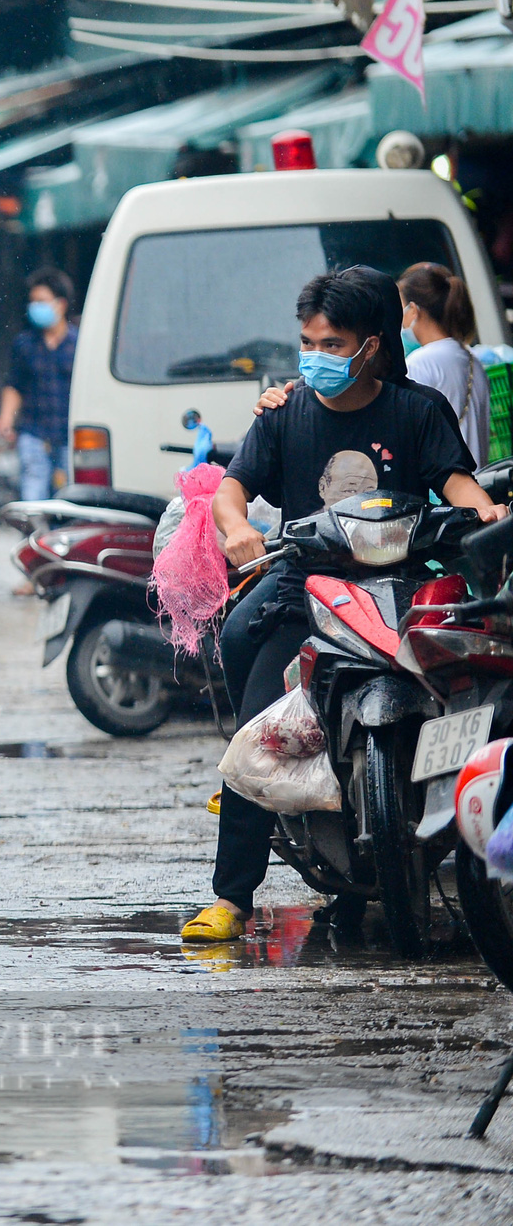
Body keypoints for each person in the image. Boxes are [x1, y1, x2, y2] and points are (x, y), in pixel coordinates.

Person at [181, 266, 508, 944]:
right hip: (306, 587)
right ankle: (232, 897)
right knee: (257, 725)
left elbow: (453, 478)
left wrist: (481, 507)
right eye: (309, 342)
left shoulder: (417, 410)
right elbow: (232, 487)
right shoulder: (285, 412)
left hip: (404, 585)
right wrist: (237, 526)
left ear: (374, 343)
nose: (317, 356)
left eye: (333, 344)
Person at [0, 268, 79, 503]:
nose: (35, 307)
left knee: (67, 501)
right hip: (33, 433)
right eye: (32, 302)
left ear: (60, 304)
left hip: (68, 436)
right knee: (33, 501)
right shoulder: (24, 344)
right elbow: (14, 385)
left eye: (41, 301)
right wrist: (6, 418)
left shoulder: (80, 343)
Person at [400, 262, 489, 464]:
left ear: (413, 310)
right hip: (476, 484)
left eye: (401, 307)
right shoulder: (471, 358)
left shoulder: (420, 363)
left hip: (445, 488)